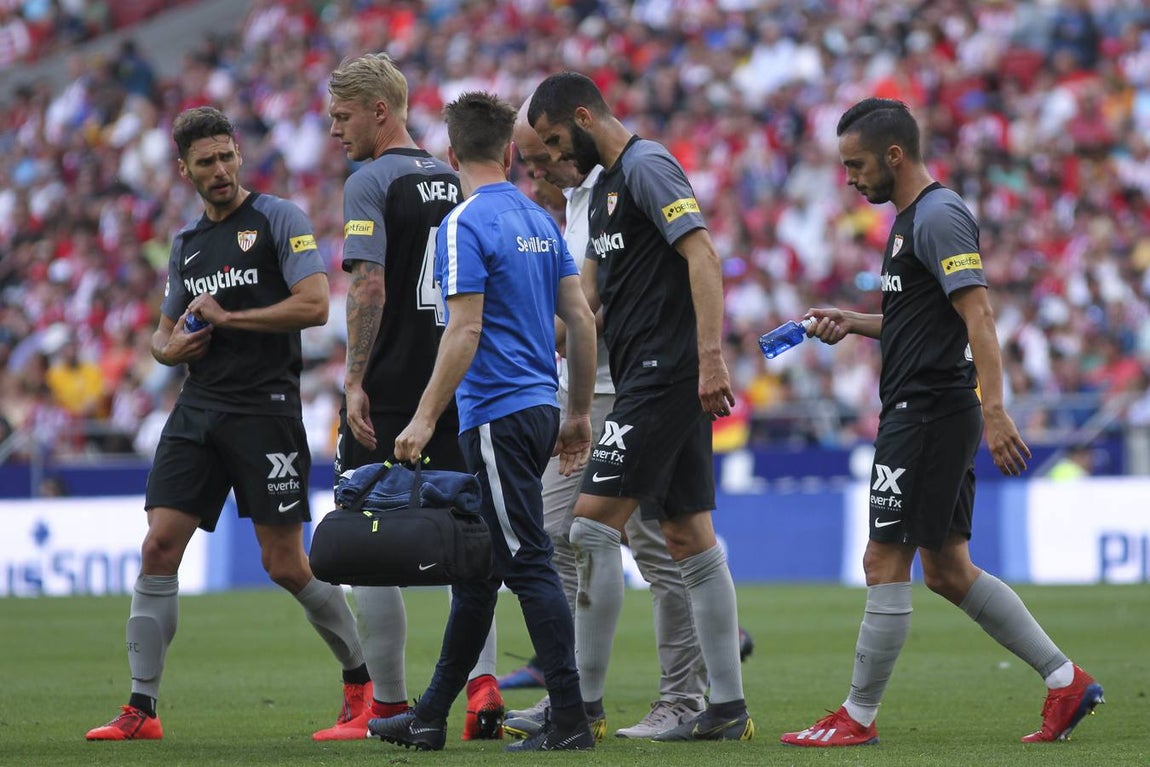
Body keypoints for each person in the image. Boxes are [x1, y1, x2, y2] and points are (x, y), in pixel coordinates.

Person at [779, 97, 1104, 747]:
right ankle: (1066, 681)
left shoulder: (937, 215)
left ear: (895, 155)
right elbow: (919, 319)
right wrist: (854, 320)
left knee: (883, 557)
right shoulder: (910, 220)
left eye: (857, 165)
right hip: (930, 409)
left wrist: (996, 409)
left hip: (927, 412)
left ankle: (857, 716)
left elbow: (977, 314)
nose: (850, 178)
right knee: (949, 570)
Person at [86, 106, 366, 741]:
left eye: (226, 156)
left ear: (239, 154)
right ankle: (141, 708)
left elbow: (315, 306)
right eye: (205, 162)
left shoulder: (278, 219)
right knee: (158, 546)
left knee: (285, 563)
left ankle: (361, 680)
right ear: (184, 170)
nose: (220, 170)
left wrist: (232, 319)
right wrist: (171, 350)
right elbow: (161, 336)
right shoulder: (186, 244)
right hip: (198, 408)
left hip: (265, 408)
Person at [368, 90, 598, 752]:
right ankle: (430, 715)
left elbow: (464, 328)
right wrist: (577, 413)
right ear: (508, 152)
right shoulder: (539, 219)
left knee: (526, 562)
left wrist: (422, 418)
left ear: (450, 155)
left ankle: (570, 718)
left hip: (495, 412)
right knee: (477, 573)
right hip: (540, 405)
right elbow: (581, 321)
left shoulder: (461, 224)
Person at [527, 72, 753, 742]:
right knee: (687, 535)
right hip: (646, 375)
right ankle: (726, 708)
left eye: (553, 140)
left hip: (665, 373)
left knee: (589, 528)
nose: (551, 156)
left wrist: (710, 356)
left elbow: (702, 252)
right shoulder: (603, 192)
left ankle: (580, 708)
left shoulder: (649, 167)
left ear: (582, 116)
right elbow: (587, 305)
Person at [500, 96, 709, 741]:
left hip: (636, 388)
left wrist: (709, 356)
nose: (541, 169)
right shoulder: (581, 201)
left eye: (544, 155)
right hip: (584, 393)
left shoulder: (628, 178)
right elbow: (580, 305)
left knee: (655, 546)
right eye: (530, 162)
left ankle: (685, 696)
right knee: (554, 534)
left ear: (575, 131)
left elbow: (687, 260)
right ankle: (572, 695)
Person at [313, 51, 503, 743]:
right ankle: (482, 688)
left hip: (392, 391)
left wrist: (354, 380)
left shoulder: (371, 181)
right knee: (470, 543)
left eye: (343, 116)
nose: (335, 130)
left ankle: (388, 707)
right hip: (461, 383)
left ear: (379, 111)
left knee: (368, 543)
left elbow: (368, 283)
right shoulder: (459, 180)